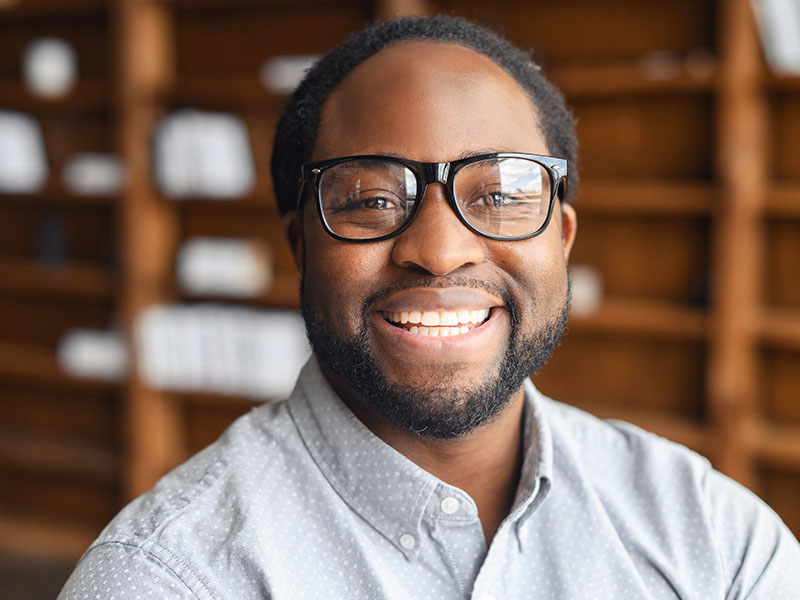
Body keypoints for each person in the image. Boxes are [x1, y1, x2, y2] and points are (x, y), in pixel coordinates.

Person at [60, 15, 799, 599]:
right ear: (301, 247)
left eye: (502, 195)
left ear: (562, 238)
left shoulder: (713, 537)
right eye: (373, 199)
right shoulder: (166, 579)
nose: (441, 251)